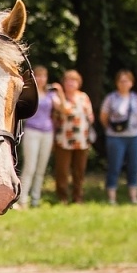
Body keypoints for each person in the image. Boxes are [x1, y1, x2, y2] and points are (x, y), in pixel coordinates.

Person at [101, 69, 137, 204]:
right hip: (115, 137)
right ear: (117, 83)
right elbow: (103, 117)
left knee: (134, 166)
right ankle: (112, 197)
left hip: (134, 136)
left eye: (127, 81)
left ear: (131, 83)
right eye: (121, 81)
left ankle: (133, 197)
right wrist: (111, 128)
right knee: (115, 166)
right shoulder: (111, 98)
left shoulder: (136, 98)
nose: (124, 83)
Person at [51, 69, 95, 204]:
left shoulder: (84, 97)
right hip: (63, 139)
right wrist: (61, 93)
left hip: (82, 140)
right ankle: (62, 197)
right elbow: (65, 110)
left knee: (79, 171)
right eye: (68, 80)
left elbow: (91, 117)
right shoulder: (58, 97)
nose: (70, 83)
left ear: (79, 83)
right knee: (62, 171)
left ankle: (78, 197)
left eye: (74, 80)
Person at [16, 65, 54, 207]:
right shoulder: (29, 93)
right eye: (38, 76)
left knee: (41, 168)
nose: (41, 79)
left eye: (44, 76)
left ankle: (36, 199)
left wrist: (60, 92)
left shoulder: (51, 95)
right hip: (32, 131)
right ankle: (23, 199)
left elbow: (62, 109)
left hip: (48, 132)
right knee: (30, 167)